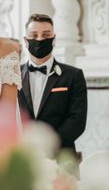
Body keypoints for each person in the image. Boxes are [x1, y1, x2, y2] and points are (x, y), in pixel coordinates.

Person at [18, 14, 88, 157]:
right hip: (22, 157)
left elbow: (77, 120)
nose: (39, 39)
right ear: (26, 41)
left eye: (46, 35)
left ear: (54, 40)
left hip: (61, 157)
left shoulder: (73, 75)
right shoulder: (13, 75)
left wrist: (48, 146)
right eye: (34, 35)